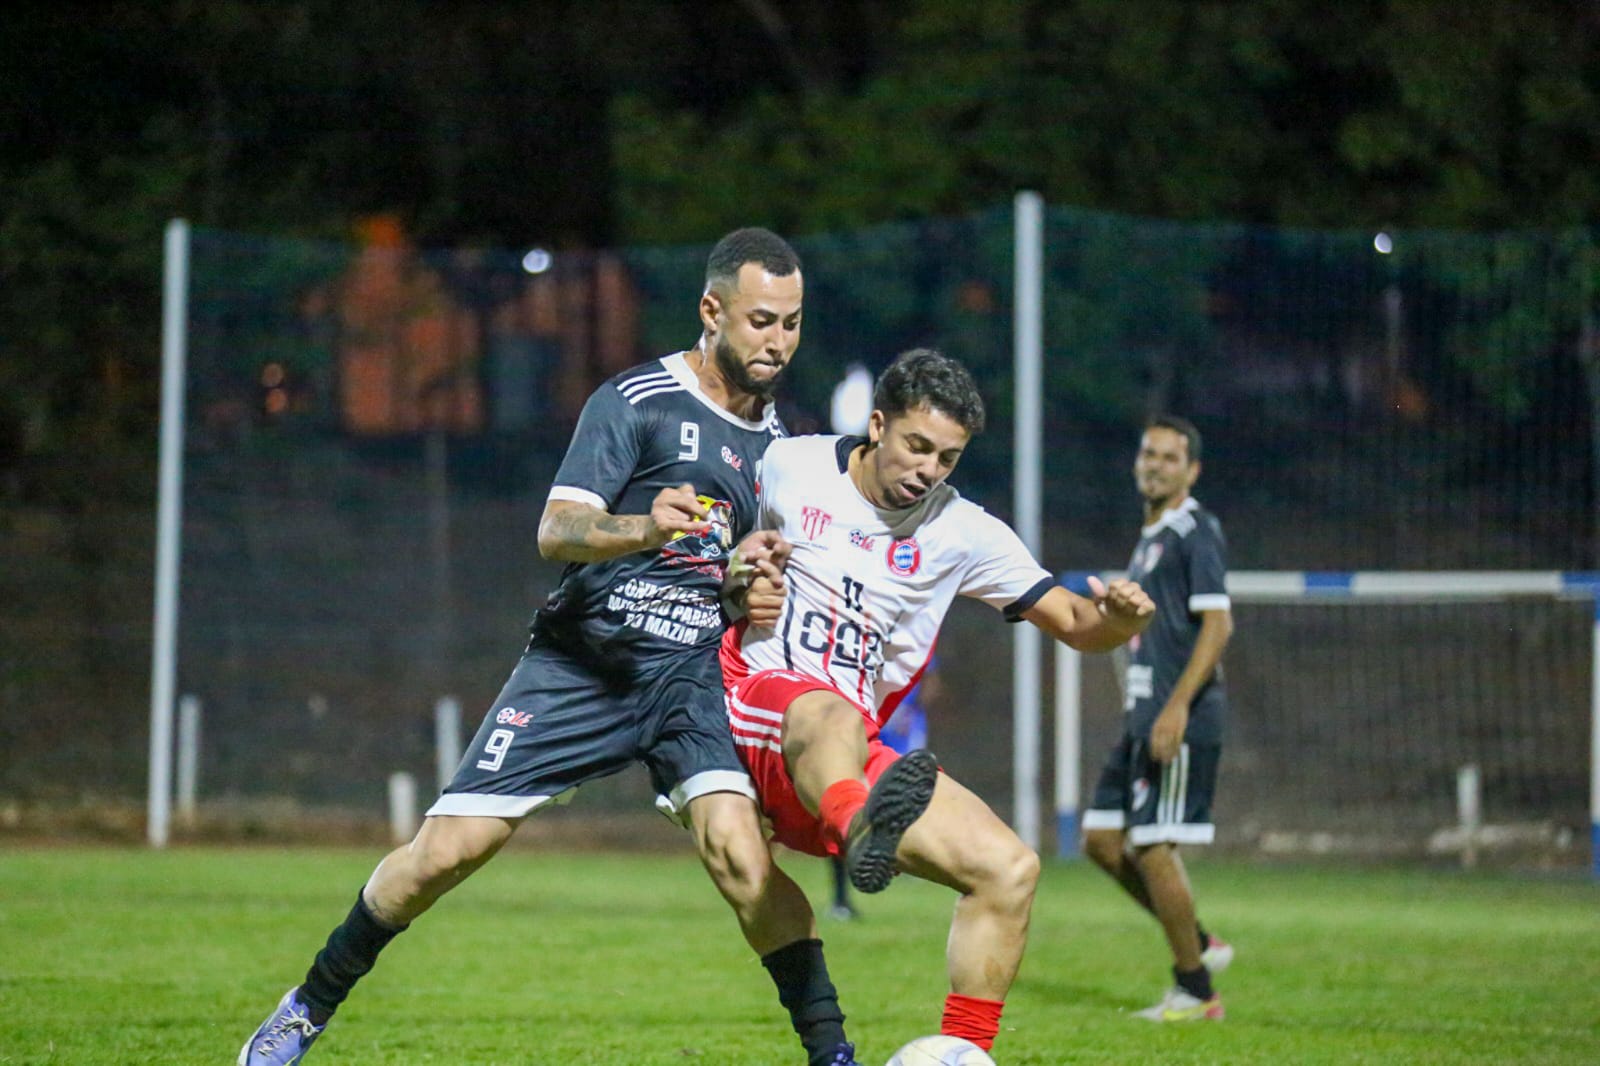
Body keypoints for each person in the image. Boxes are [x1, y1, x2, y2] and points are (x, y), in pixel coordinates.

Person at [241, 228, 866, 1066]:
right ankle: (306, 1008)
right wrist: (645, 525)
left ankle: (834, 1055)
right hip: (583, 661)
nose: (778, 342)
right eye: (761, 321)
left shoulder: (777, 446)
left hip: (689, 680)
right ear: (712, 311)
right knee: (447, 853)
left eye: (791, 323)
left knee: (742, 861)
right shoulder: (637, 399)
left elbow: (730, 572)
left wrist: (751, 585)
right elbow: (557, 529)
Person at [722, 348, 1155, 1053]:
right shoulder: (788, 465)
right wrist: (739, 570)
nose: (927, 469)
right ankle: (861, 826)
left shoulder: (963, 532)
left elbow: (1077, 623)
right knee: (826, 708)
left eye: (947, 458)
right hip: (757, 709)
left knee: (1007, 870)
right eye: (917, 446)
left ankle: (963, 1052)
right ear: (877, 425)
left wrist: (1122, 623)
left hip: (846, 754)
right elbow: (713, 545)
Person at [1080, 415, 1236, 1023]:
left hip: (1180, 715)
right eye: (1148, 453)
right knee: (1100, 839)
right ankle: (1197, 940)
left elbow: (1219, 625)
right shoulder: (1150, 538)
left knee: (1152, 846)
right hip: (1143, 713)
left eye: (1170, 457)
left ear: (1191, 470)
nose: (1155, 464)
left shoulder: (1196, 530)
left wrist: (1175, 708)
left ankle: (1195, 990)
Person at [825, 657, 936, 920]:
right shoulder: (856, 644)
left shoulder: (912, 639)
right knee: (848, 802)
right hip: (866, 729)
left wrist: (912, 710)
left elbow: (931, 681)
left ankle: (902, 856)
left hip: (902, 735)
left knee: (908, 794)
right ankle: (843, 895)